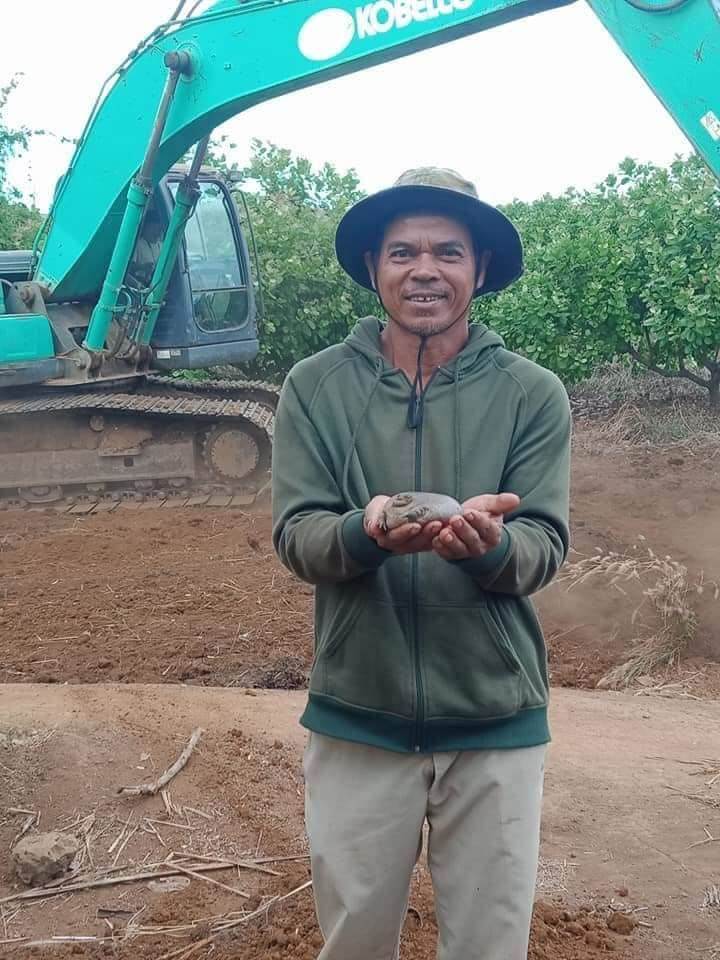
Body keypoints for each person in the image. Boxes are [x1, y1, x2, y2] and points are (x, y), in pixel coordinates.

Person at [271, 167, 571, 960]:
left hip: (495, 720)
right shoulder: (315, 387)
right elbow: (298, 534)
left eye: (449, 252)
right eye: (403, 252)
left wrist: (492, 546)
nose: (425, 270)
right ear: (374, 266)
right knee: (355, 942)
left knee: (489, 945)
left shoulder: (532, 393)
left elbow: (543, 544)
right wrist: (365, 531)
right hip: (358, 712)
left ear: (481, 268)